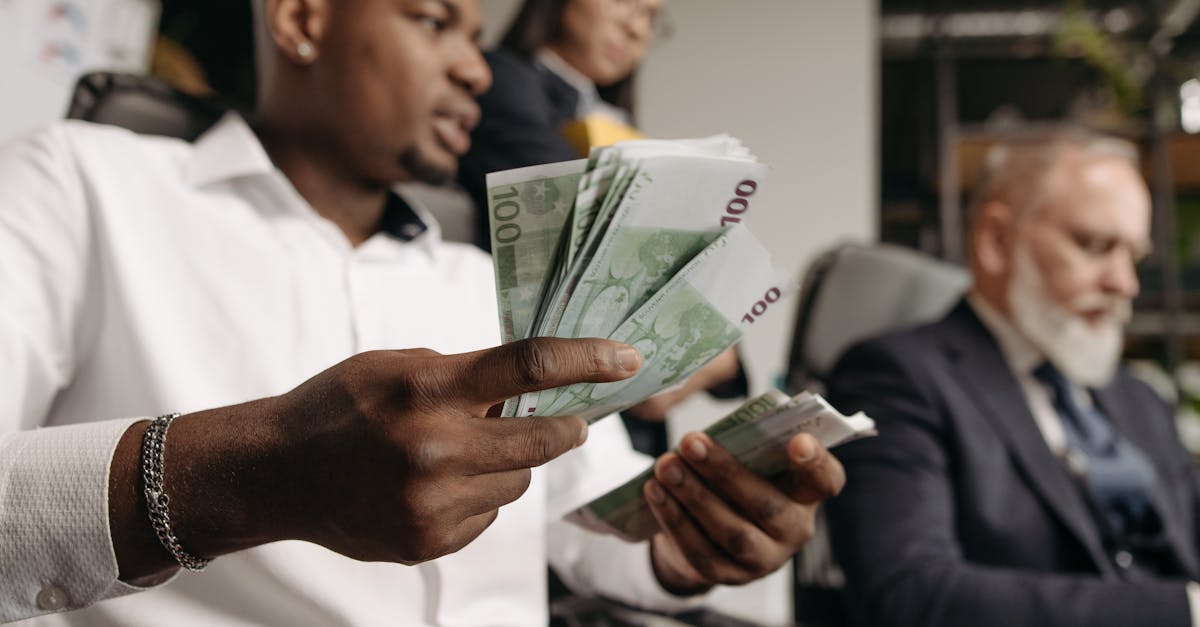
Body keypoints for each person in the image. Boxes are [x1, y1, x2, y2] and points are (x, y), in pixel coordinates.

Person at [0, 0, 845, 624]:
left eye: (478, 40)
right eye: (435, 21)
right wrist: (261, 476)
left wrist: (687, 540)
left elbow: (584, 523)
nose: (476, 69)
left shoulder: (486, 281)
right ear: (301, 19)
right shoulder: (81, 184)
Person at [825, 129, 1200, 627]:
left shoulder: (1139, 399)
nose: (1124, 284)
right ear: (997, 240)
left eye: (1133, 257)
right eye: (1094, 246)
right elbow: (909, 594)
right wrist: (1184, 613)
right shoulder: (896, 376)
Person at [458, 0, 745, 453]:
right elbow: (591, 220)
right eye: (627, 3)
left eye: (652, 18)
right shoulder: (502, 79)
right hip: (536, 397)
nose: (637, 29)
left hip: (617, 407)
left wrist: (719, 348)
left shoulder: (618, 122)